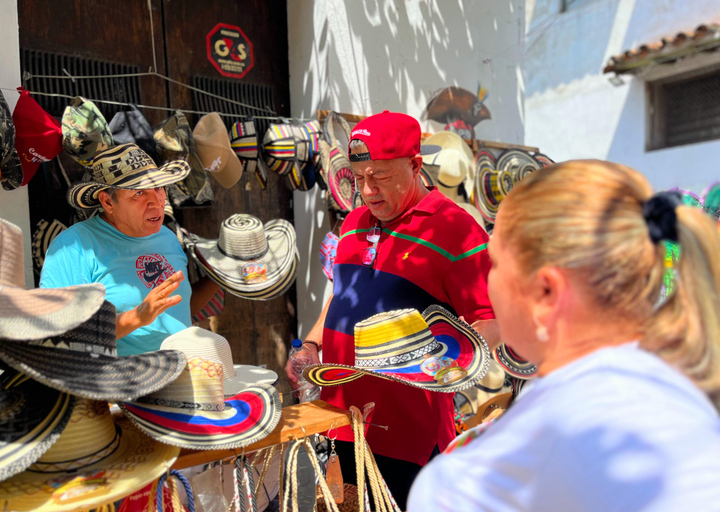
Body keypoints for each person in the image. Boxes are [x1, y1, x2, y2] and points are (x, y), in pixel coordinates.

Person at [408, 160, 720, 511]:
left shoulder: (471, 481)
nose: (487, 281)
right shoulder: (689, 396)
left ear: (545, 292)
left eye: (493, 263)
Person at [288, 111, 499, 508]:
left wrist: (447, 370)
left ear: (415, 165)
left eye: (380, 176)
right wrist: (311, 345)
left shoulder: (454, 229)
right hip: (340, 422)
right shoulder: (352, 224)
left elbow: (490, 319)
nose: (367, 190)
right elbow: (340, 292)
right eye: (358, 177)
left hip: (409, 437)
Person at [40, 143, 220, 356]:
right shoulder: (73, 248)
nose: (156, 201)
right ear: (108, 201)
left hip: (186, 375)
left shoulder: (168, 238)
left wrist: (224, 274)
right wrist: (135, 318)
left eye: (158, 188)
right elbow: (60, 334)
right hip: (124, 382)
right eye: (139, 193)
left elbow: (175, 312)